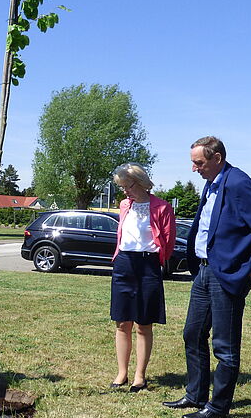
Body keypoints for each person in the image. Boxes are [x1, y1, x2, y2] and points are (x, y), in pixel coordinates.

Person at [163, 136, 251, 418]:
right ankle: (195, 395)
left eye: (199, 163)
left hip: (227, 274)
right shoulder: (212, 182)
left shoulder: (239, 183)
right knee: (192, 334)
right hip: (204, 271)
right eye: (192, 163)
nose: (194, 168)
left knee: (225, 347)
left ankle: (217, 408)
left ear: (217, 158)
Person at [109, 162, 176, 392]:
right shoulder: (124, 205)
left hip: (148, 266)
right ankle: (122, 373)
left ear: (140, 183)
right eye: (122, 187)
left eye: (127, 186)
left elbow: (168, 241)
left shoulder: (162, 207)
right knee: (121, 322)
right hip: (124, 264)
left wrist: (155, 262)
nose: (125, 191)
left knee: (143, 324)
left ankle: (140, 376)